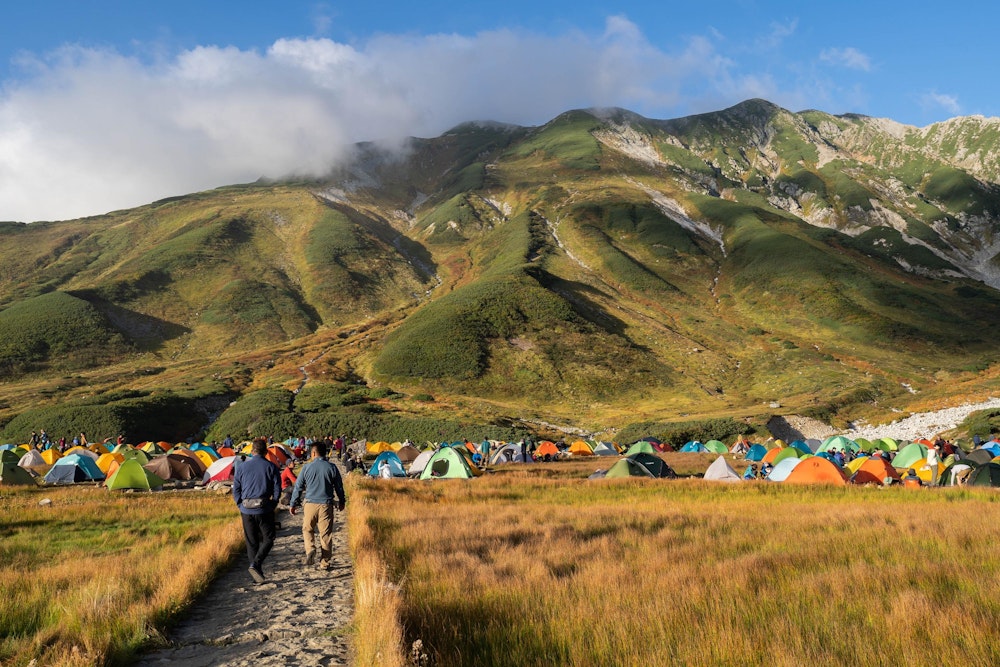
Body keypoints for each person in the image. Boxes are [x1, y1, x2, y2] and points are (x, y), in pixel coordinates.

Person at [289, 441, 346, 570]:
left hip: (310, 504)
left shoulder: (306, 468)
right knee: (326, 534)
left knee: (307, 529)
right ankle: (325, 562)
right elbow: (339, 487)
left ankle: (310, 549)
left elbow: (298, 487)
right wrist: (342, 501)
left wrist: (293, 503)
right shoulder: (332, 467)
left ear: (313, 453)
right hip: (326, 505)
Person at [232, 438, 282, 584]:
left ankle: (255, 573)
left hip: (246, 509)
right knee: (269, 538)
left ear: (252, 451)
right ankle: (256, 564)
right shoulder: (271, 467)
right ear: (266, 452)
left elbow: (236, 488)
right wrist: (274, 503)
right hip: (264, 508)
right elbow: (277, 488)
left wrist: (239, 504)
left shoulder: (242, 467)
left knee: (251, 542)